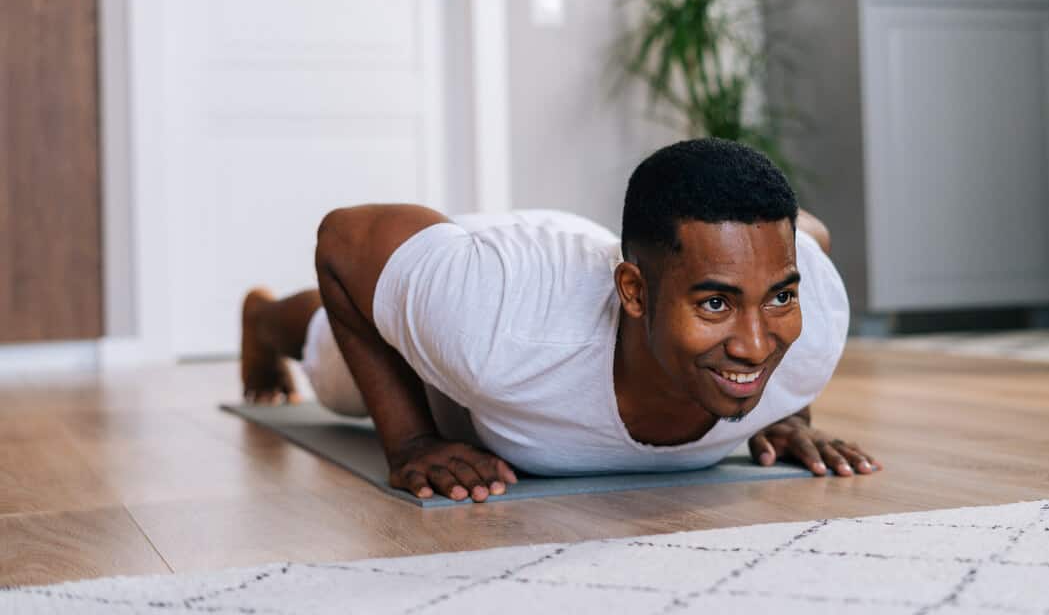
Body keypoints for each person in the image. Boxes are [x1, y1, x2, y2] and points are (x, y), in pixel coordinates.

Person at [240, 138, 879, 503]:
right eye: (715, 304)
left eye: (778, 298)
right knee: (331, 357)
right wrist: (411, 443)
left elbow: (808, 238)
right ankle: (263, 319)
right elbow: (343, 238)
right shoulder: (491, 325)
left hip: (600, 265)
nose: (755, 344)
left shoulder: (813, 320)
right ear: (634, 292)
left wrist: (787, 414)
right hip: (518, 272)